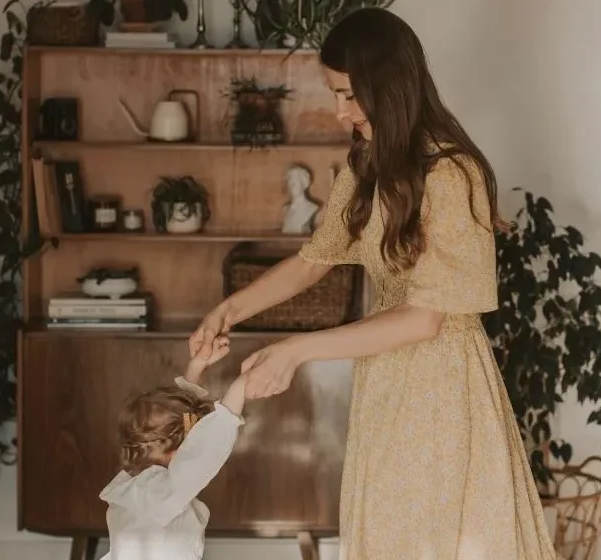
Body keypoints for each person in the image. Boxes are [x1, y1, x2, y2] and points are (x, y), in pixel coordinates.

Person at [190, 7, 561, 559]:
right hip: (386, 381)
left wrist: (297, 349)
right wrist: (228, 311)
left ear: (389, 86)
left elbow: (424, 317)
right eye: (334, 94)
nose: (340, 113)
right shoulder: (369, 165)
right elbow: (315, 260)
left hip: (442, 390)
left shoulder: (451, 176)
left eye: (348, 95)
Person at [98, 336, 245, 560]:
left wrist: (197, 367)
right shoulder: (166, 489)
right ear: (182, 449)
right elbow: (208, 446)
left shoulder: (136, 487)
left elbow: (185, 419)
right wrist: (243, 385)